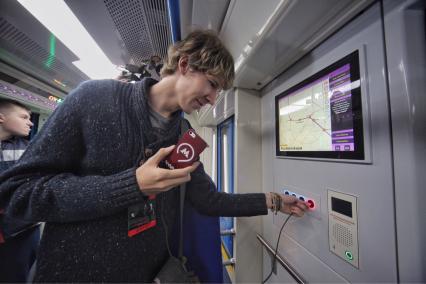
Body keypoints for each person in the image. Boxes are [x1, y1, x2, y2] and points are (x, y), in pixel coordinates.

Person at [0, 30, 308, 282]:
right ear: (185, 65)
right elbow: (18, 191)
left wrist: (274, 201)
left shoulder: (184, 136)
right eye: (212, 84)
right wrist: (131, 185)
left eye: (219, 92)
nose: (213, 98)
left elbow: (208, 200)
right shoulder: (93, 99)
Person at [0, 98, 40, 282]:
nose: (30, 122)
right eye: (24, 117)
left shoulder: (28, 148)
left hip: (24, 229)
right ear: (2, 117)